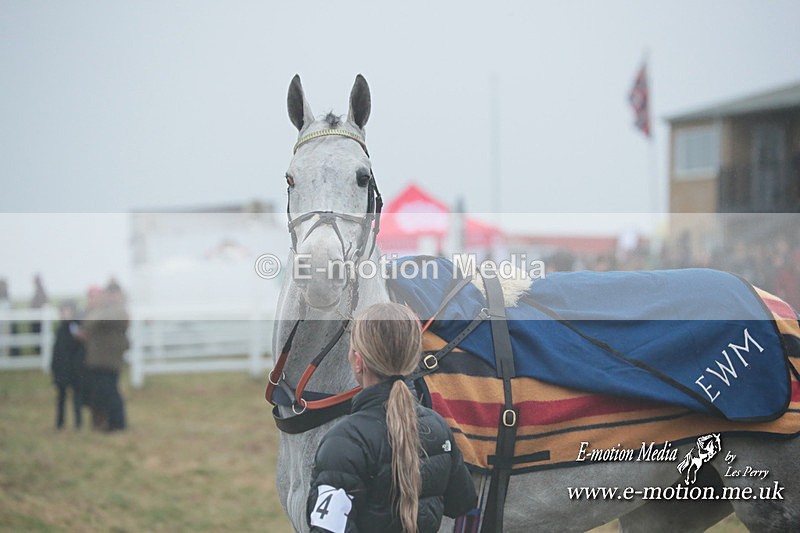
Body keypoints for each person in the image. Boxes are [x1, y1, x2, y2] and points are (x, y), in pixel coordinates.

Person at [307, 302, 476, 533]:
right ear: (412, 359)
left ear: (358, 361)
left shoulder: (344, 440)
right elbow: (462, 502)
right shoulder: (438, 427)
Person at [81, 281, 130, 432]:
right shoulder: (107, 309)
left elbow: (92, 322)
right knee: (101, 393)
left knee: (110, 392)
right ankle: (106, 423)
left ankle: (118, 424)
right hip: (99, 358)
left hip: (109, 359)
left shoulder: (118, 310)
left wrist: (97, 307)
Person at [51, 301, 86, 430]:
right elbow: (57, 351)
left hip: (75, 369)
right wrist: (54, 367)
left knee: (77, 397)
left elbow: (80, 350)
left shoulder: (76, 328)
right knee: (61, 398)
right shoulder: (61, 329)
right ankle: (60, 423)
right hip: (62, 369)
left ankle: (78, 424)